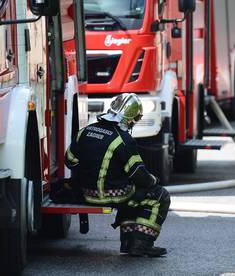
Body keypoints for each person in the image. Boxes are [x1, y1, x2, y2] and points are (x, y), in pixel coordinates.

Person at [63, 93, 171, 257]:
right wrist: (154, 180)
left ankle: (128, 243)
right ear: (129, 118)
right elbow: (139, 175)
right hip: (112, 195)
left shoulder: (85, 132)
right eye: (135, 119)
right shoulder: (124, 140)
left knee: (131, 195)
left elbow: (70, 161)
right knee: (159, 196)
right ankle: (142, 244)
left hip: (85, 193)